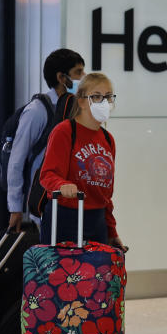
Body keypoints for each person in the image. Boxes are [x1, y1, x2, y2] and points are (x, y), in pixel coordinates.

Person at [38, 72, 126, 252]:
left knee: (97, 278)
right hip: (65, 217)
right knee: (63, 277)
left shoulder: (108, 139)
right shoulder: (65, 131)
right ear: (81, 101)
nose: (104, 102)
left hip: (97, 220)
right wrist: (62, 185)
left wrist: (111, 230)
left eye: (108, 97)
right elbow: (47, 174)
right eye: (96, 97)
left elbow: (106, 195)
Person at [7, 48, 85, 232]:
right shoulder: (37, 111)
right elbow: (17, 160)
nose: (83, 78)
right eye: (78, 73)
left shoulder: (78, 109)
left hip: (73, 201)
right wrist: (16, 208)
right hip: (45, 204)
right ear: (61, 77)